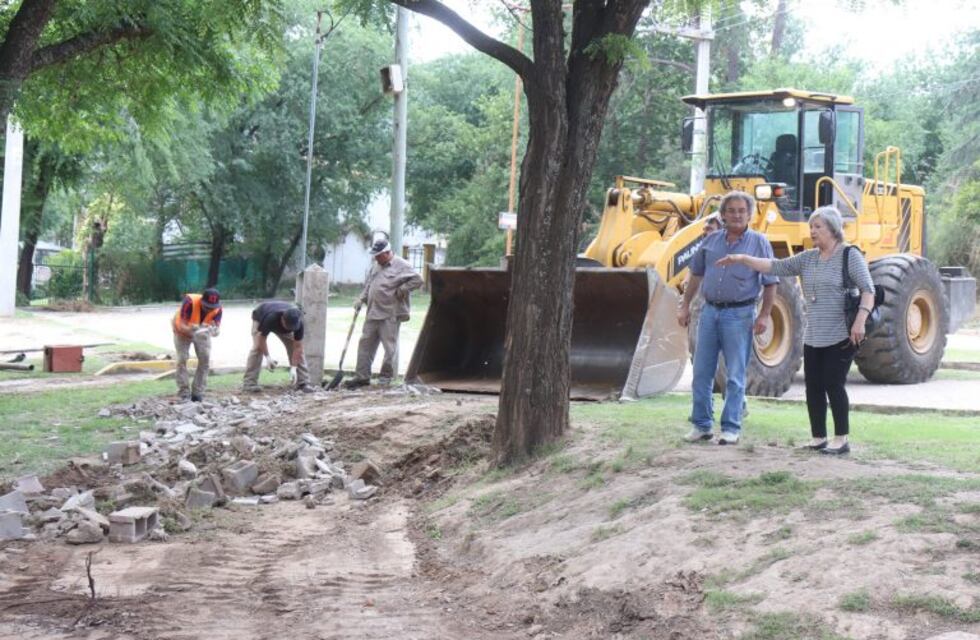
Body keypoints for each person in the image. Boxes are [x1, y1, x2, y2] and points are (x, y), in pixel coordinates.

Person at [717, 206, 874, 455]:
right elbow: (774, 266)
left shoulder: (849, 255)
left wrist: (860, 321)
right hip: (814, 336)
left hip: (841, 334)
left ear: (833, 229)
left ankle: (841, 439)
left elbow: (868, 289)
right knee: (814, 387)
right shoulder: (808, 258)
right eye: (811, 227)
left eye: (818, 226)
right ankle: (818, 437)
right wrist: (743, 259)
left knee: (833, 384)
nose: (812, 231)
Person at [677, 191, 778, 445]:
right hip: (709, 312)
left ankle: (731, 427)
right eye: (731, 211)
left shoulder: (759, 243)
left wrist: (765, 314)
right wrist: (685, 305)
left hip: (740, 314)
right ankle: (701, 425)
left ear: (749, 214)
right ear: (722, 214)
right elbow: (696, 275)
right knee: (702, 372)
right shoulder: (710, 241)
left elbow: (771, 282)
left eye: (741, 211)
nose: (736, 215)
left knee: (735, 374)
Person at [345, 238, 423, 389]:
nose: (376, 258)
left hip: (390, 314)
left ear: (387, 253)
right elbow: (369, 284)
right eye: (375, 255)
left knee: (389, 348)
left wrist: (403, 289)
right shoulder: (376, 266)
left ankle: (385, 379)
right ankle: (362, 377)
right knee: (365, 345)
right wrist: (361, 298)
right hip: (372, 312)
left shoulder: (402, 265)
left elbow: (418, 280)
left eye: (379, 255)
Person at [243, 301, 315, 393]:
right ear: (282, 319)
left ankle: (303, 382)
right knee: (257, 348)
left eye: (292, 327)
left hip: (278, 322)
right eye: (288, 326)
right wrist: (268, 357)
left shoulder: (299, 324)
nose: (290, 329)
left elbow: (298, 347)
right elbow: (261, 338)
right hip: (261, 315)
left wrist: (294, 367)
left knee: (295, 349)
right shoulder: (271, 318)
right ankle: (249, 383)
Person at [172, 288, 222, 402]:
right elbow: (182, 325)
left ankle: (198, 392)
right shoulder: (190, 302)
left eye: (212, 307)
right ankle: (184, 391)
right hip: (182, 332)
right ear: (202, 301)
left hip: (202, 332)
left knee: (205, 360)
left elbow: (217, 329)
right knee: (182, 359)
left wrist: (214, 331)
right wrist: (194, 330)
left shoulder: (218, 309)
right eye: (207, 306)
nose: (209, 310)